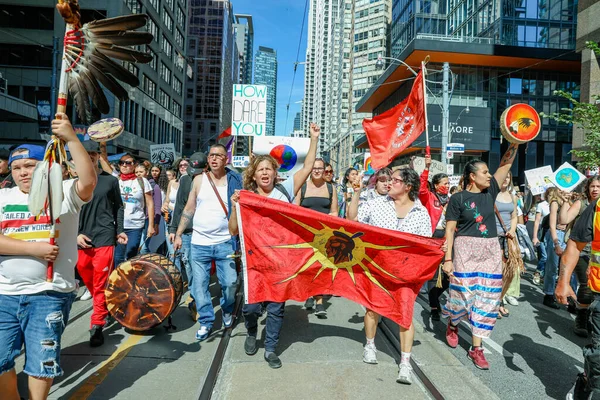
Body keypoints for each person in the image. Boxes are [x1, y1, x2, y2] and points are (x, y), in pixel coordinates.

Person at [0, 114, 96, 400]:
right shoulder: (3, 198)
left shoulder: (63, 191)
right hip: (4, 294)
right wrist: (33, 249)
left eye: (30, 165)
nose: (22, 172)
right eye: (17, 167)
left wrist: (71, 138)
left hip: (49, 293)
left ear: (46, 165)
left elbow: (88, 181)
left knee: (42, 361)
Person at [228, 123, 320, 369]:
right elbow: (233, 230)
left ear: (275, 172)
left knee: (277, 308)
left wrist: (313, 138)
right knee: (250, 308)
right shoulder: (246, 196)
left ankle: (270, 349)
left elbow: (308, 167)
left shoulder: (284, 189)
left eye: (269, 168)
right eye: (261, 169)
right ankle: (250, 331)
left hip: (280, 264)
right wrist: (236, 206)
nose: (265, 173)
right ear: (254, 175)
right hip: (254, 265)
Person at [347, 167, 433, 385]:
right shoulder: (377, 203)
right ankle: (370, 345)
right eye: (388, 180)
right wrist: (356, 192)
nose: (389, 183)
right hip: (378, 268)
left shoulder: (420, 212)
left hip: (405, 273)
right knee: (373, 308)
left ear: (408, 186)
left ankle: (405, 363)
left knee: (405, 315)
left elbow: (425, 246)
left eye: (395, 180)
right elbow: (352, 218)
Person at [442, 142, 519, 370]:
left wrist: (515, 140)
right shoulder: (457, 199)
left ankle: (477, 349)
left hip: (490, 251)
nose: (489, 175)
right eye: (484, 172)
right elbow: (449, 230)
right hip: (464, 251)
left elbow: (506, 163)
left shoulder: (491, 191)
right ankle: (453, 323)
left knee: (486, 299)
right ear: (472, 176)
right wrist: (448, 258)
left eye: (488, 171)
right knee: (463, 296)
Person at [173, 144, 243, 342]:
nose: (213, 159)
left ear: (225, 160)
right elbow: (189, 208)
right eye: (211, 155)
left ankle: (227, 309)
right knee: (199, 285)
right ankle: (206, 320)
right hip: (199, 243)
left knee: (229, 283)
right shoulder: (198, 180)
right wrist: (178, 233)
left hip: (225, 243)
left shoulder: (235, 181)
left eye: (218, 156)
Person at [75, 140, 127, 347]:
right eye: (85, 154)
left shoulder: (110, 181)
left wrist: (119, 230)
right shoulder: (73, 181)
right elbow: (67, 212)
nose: (90, 157)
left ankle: (97, 324)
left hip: (105, 236)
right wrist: (76, 234)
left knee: (100, 282)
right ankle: (106, 304)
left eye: (93, 154)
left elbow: (119, 207)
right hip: (82, 238)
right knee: (85, 273)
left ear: (98, 157)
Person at [555, 198, 600, 400]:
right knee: (599, 358)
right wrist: (563, 282)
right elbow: (574, 245)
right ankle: (587, 386)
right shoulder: (598, 206)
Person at [295, 158, 338, 317]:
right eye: (314, 168)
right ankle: (309, 295)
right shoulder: (303, 187)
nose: (317, 171)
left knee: (321, 268)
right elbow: (295, 211)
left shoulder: (331, 188)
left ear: (324, 170)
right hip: (305, 236)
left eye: (320, 168)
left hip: (324, 237)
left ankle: (318, 301)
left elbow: (334, 212)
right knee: (307, 268)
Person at [559, 176, 600, 337]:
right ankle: (581, 318)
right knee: (586, 285)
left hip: (594, 254)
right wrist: (564, 202)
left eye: (598, 186)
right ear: (587, 188)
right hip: (581, 252)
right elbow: (564, 219)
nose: (595, 189)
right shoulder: (581, 204)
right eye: (592, 186)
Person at [169, 153, 206, 315]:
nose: (192, 173)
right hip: (188, 232)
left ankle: (198, 296)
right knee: (190, 266)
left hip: (205, 231)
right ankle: (195, 298)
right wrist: (174, 230)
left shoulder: (210, 180)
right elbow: (179, 207)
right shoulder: (185, 180)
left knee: (200, 268)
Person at [419, 155, 451, 321]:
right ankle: (433, 307)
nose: (447, 186)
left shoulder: (451, 201)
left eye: (448, 183)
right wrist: (427, 167)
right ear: (436, 185)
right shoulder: (429, 197)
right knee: (432, 275)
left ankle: (435, 296)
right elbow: (422, 188)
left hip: (446, 239)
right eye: (444, 183)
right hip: (431, 238)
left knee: (447, 275)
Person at [114, 154, 154, 267]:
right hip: (118, 225)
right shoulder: (115, 180)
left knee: (131, 254)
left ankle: (130, 281)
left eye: (128, 163)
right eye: (122, 162)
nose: (124, 165)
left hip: (135, 225)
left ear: (135, 165)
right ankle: (118, 282)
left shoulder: (142, 181)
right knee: (118, 257)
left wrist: (151, 225)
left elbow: (150, 204)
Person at [494, 172, 518, 318]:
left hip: (509, 238)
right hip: (494, 238)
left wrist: (512, 231)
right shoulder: (491, 195)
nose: (505, 179)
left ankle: (500, 299)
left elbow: (514, 217)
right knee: (497, 272)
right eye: (503, 177)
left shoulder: (512, 196)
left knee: (510, 272)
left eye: (508, 177)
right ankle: (495, 303)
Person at [542, 187, 569, 309]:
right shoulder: (554, 202)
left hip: (568, 235)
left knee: (568, 269)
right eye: (561, 189)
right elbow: (552, 226)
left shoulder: (570, 201)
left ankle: (569, 298)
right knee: (552, 267)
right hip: (556, 235)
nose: (564, 191)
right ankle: (548, 294)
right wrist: (556, 243)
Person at [532, 191, 551, 285]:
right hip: (543, 232)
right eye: (550, 194)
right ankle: (538, 272)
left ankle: (545, 276)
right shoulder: (542, 205)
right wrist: (535, 237)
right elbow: (537, 221)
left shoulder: (559, 205)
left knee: (550, 258)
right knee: (544, 256)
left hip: (553, 234)